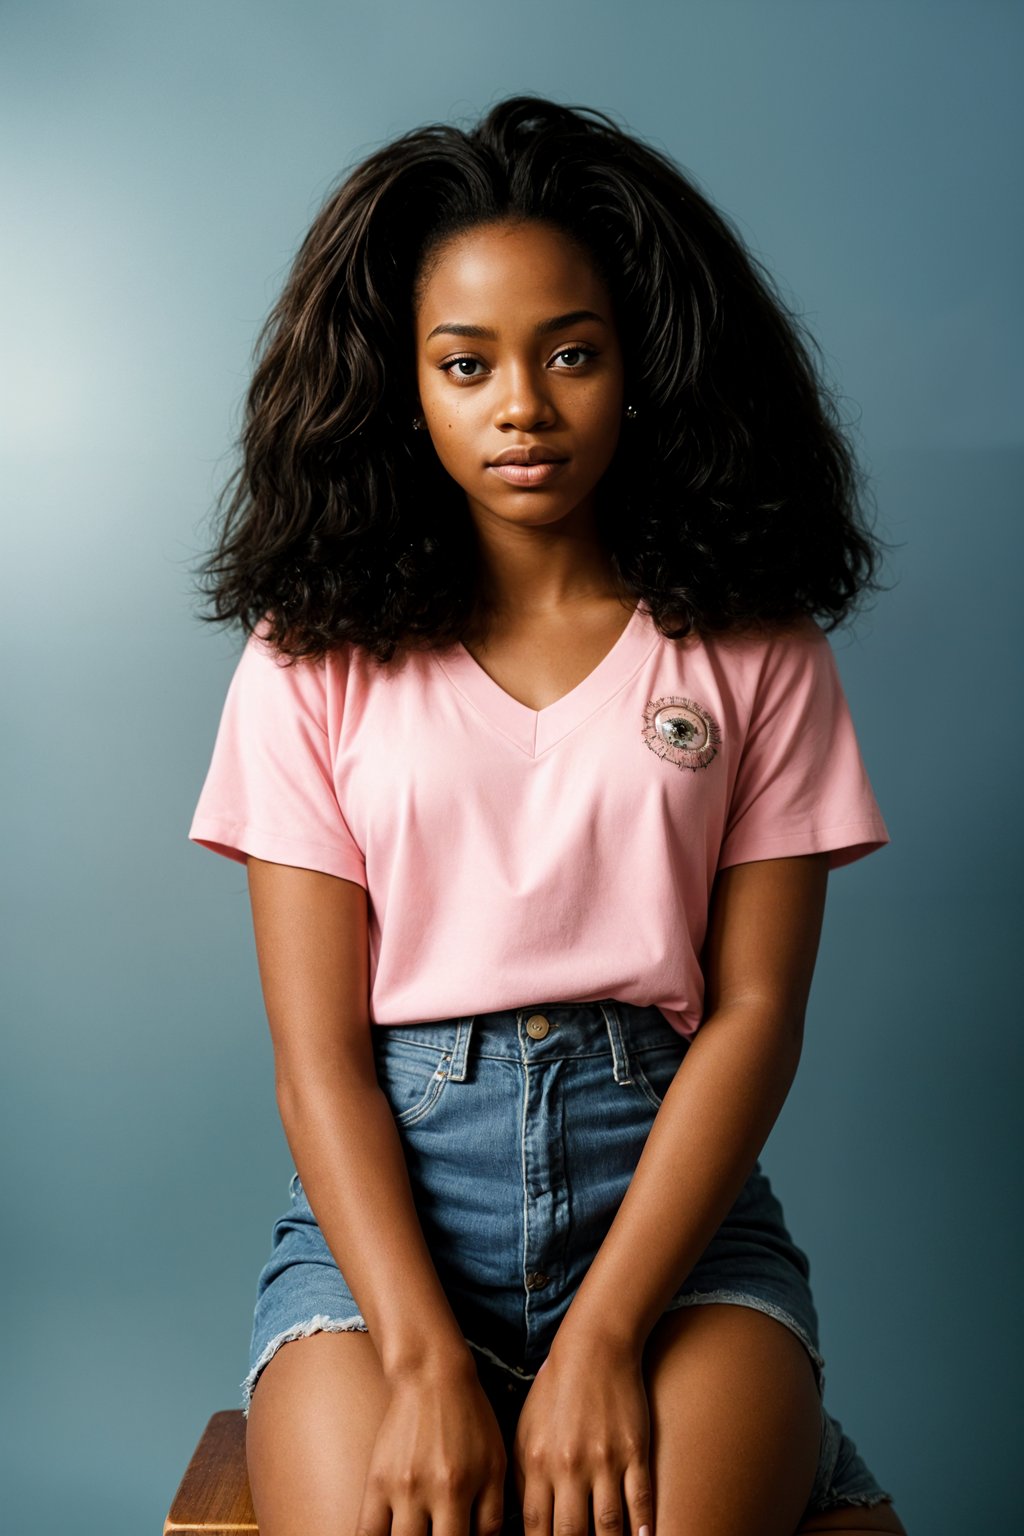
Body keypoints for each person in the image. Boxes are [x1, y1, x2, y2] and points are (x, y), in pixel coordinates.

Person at [188, 94, 908, 1536]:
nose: (523, 404)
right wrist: (419, 1357)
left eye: (571, 353)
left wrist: (598, 1340)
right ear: (405, 387)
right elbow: (317, 1055)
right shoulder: (307, 655)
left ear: (641, 364)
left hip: (674, 1228)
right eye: (467, 365)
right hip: (385, 1240)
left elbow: (757, 1013)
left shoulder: (754, 642)